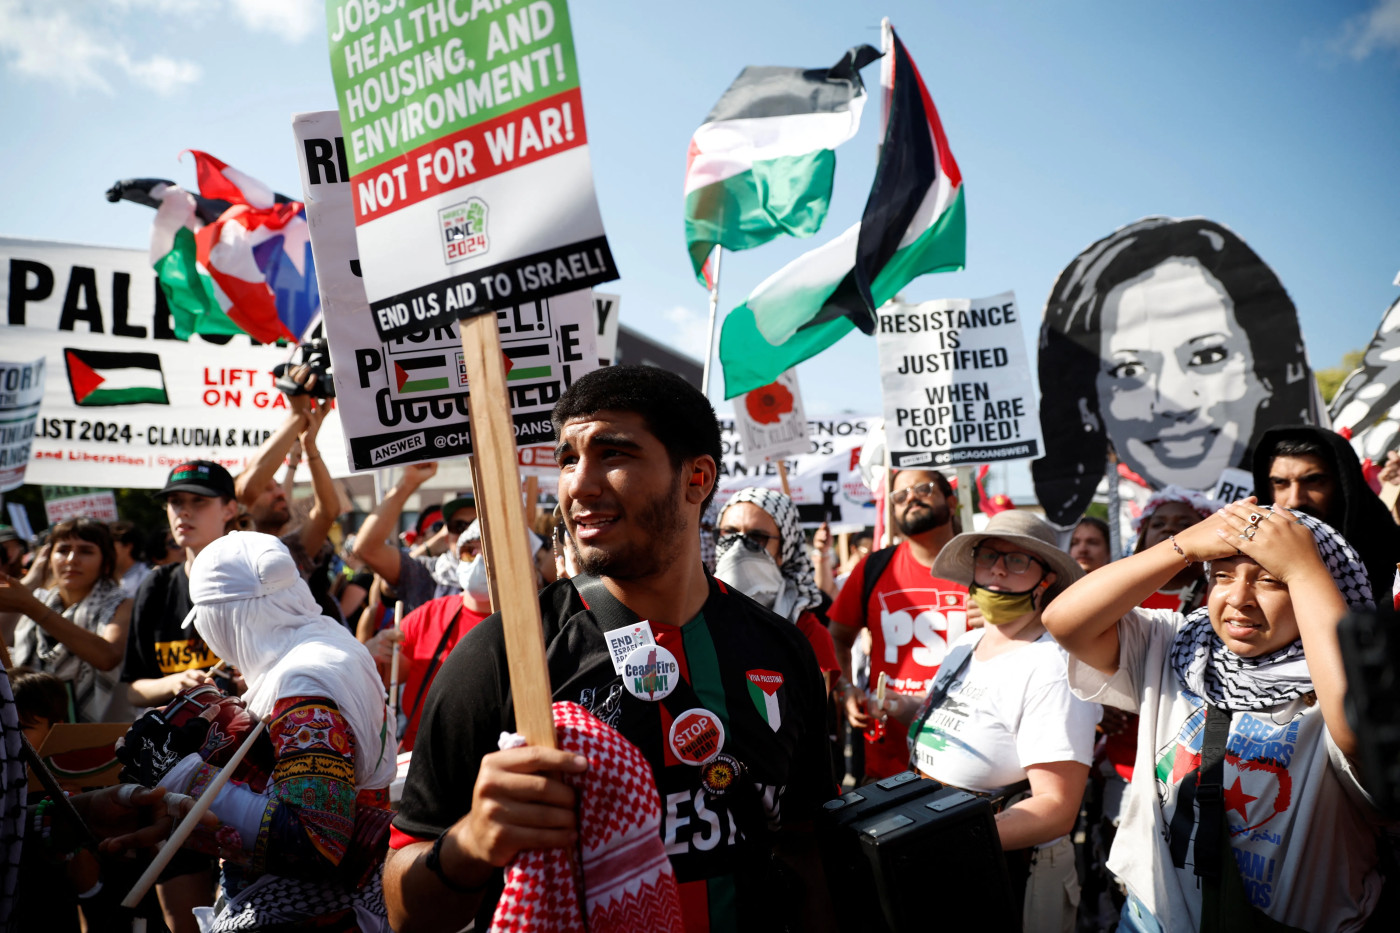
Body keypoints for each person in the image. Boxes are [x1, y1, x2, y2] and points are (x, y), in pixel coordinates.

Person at [384, 365, 834, 933]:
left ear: (697, 478)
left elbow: (806, 843)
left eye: (613, 453)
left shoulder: (782, 651)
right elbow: (403, 908)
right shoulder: (502, 657)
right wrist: (471, 844)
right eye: (569, 458)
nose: (577, 485)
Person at [1044, 500, 1385, 931]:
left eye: (1270, 580)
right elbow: (1064, 621)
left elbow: (1357, 727)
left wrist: (1302, 567)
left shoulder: (1335, 687)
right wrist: (1184, 544)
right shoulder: (1175, 645)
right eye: (1222, 575)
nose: (1239, 599)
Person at [116, 531, 397, 931]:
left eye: (205, 620)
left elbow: (317, 841)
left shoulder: (304, 683)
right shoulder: (328, 639)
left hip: (314, 913)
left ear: (228, 614)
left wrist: (184, 776)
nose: (205, 637)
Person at [1033, 216, 1315, 527]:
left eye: (1207, 355)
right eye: (1130, 370)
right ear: (1089, 403)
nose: (1172, 402)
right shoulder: (1096, 559)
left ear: (1265, 373)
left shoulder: (1320, 542)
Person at [902, 510, 1100, 933]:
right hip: (940, 859)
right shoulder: (965, 644)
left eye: (1016, 560)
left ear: (1046, 580)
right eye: (988, 555)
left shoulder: (1053, 667)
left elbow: (1055, 809)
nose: (996, 570)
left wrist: (950, 838)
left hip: (1006, 873)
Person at [119, 460, 235, 933]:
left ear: (230, 509)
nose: (182, 512)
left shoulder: (251, 577)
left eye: (198, 502)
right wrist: (175, 684)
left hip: (247, 773)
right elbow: (133, 687)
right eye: (175, 502)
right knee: (182, 920)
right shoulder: (156, 585)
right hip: (171, 773)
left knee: (245, 914)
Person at [828, 469, 968, 781]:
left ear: (952, 500)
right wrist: (847, 688)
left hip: (966, 760)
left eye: (923, 488)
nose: (911, 499)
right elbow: (837, 637)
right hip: (886, 763)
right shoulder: (873, 568)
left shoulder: (983, 570)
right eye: (899, 496)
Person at [366, 524, 492, 751]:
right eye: (469, 552)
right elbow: (386, 676)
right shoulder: (428, 616)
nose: (479, 559)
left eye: (489, 551)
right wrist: (372, 654)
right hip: (422, 759)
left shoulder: (534, 621)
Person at [233, 375, 344, 623]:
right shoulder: (228, 551)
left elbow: (328, 512)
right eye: (268, 488)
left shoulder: (290, 550)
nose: (281, 492)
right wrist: (296, 416)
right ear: (231, 508)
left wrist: (310, 447)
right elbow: (248, 489)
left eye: (278, 487)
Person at [1252, 424, 1400, 607]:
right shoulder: (1246, 555)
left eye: (1313, 480)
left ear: (1343, 484)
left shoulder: (1390, 559)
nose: (1295, 500)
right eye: (1280, 483)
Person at [2, 519, 132, 723]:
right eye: (63, 550)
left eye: (86, 551)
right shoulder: (37, 598)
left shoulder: (122, 605)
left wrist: (31, 607)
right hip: (32, 730)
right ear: (48, 557)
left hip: (100, 737)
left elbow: (107, 657)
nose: (72, 559)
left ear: (105, 562)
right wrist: (31, 582)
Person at [713, 487, 842, 692]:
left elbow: (810, 718)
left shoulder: (807, 633)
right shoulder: (692, 614)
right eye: (728, 533)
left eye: (757, 538)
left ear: (785, 548)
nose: (738, 547)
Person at [352, 462, 463, 614]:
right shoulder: (427, 574)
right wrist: (408, 482)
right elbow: (367, 549)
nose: (468, 534)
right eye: (458, 526)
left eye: (475, 525)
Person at [1131, 486, 1219, 614]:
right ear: (1143, 538)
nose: (1168, 529)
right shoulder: (1121, 597)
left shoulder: (1223, 597)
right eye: (1158, 524)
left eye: (1184, 524)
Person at [109, 521, 151, 599]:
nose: (106, 550)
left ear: (128, 546)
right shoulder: (104, 581)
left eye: (110, 545)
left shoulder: (148, 579)